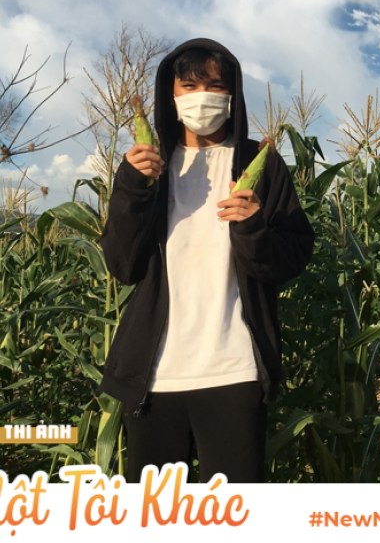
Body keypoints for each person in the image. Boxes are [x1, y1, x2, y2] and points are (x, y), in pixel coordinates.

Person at [99, 38, 315, 483]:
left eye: (215, 85)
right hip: (155, 378)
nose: (203, 96)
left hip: (233, 371)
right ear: (171, 94)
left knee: (236, 515)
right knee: (157, 517)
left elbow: (292, 257)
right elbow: (122, 266)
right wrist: (131, 189)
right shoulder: (150, 166)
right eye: (190, 85)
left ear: (232, 94)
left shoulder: (262, 164)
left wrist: (255, 227)